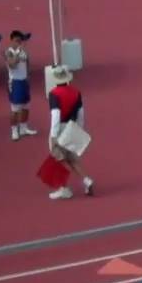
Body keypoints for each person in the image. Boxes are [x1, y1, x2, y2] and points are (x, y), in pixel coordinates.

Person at [47, 65, 94, 200]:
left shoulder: (54, 94)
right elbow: (81, 113)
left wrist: (54, 136)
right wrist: (79, 128)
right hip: (72, 127)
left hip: (60, 128)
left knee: (59, 158)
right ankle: (86, 180)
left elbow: (55, 115)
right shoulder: (76, 92)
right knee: (72, 158)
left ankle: (64, 188)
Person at [5, 30, 39, 142]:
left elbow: (27, 63)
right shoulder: (9, 52)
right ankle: (14, 130)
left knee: (26, 106)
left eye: (20, 40)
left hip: (24, 81)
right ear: (11, 40)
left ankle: (24, 128)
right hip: (15, 83)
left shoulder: (24, 51)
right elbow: (12, 65)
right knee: (15, 109)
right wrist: (19, 52)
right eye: (17, 41)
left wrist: (27, 76)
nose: (19, 43)